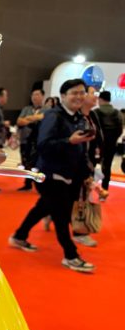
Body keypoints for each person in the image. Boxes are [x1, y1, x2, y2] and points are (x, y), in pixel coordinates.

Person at [9, 78, 95, 273]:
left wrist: (86, 174)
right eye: (74, 93)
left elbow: (80, 150)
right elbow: (44, 146)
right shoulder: (53, 116)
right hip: (49, 175)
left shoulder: (78, 118)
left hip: (68, 175)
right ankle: (71, 255)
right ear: (63, 96)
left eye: (82, 92)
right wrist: (69, 141)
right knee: (61, 215)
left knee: (43, 207)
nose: (79, 96)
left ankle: (19, 236)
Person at [72, 85, 104, 247]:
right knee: (80, 197)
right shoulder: (76, 118)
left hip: (89, 162)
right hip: (77, 164)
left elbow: (98, 139)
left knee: (78, 197)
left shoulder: (92, 115)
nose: (95, 96)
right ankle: (79, 232)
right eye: (92, 93)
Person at [94, 91, 123, 198]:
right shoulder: (117, 113)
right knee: (107, 167)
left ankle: (89, 191)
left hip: (97, 145)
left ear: (100, 99)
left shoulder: (96, 112)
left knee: (92, 166)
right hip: (111, 145)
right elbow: (120, 129)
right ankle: (104, 190)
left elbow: (93, 129)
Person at [16, 87, 45, 191]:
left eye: (37, 94)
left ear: (43, 96)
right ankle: (27, 183)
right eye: (33, 95)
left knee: (39, 162)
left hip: (40, 141)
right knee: (25, 161)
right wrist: (36, 118)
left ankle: (39, 184)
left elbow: (44, 118)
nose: (34, 97)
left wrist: (28, 118)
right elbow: (19, 121)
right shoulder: (26, 109)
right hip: (25, 139)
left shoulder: (47, 109)